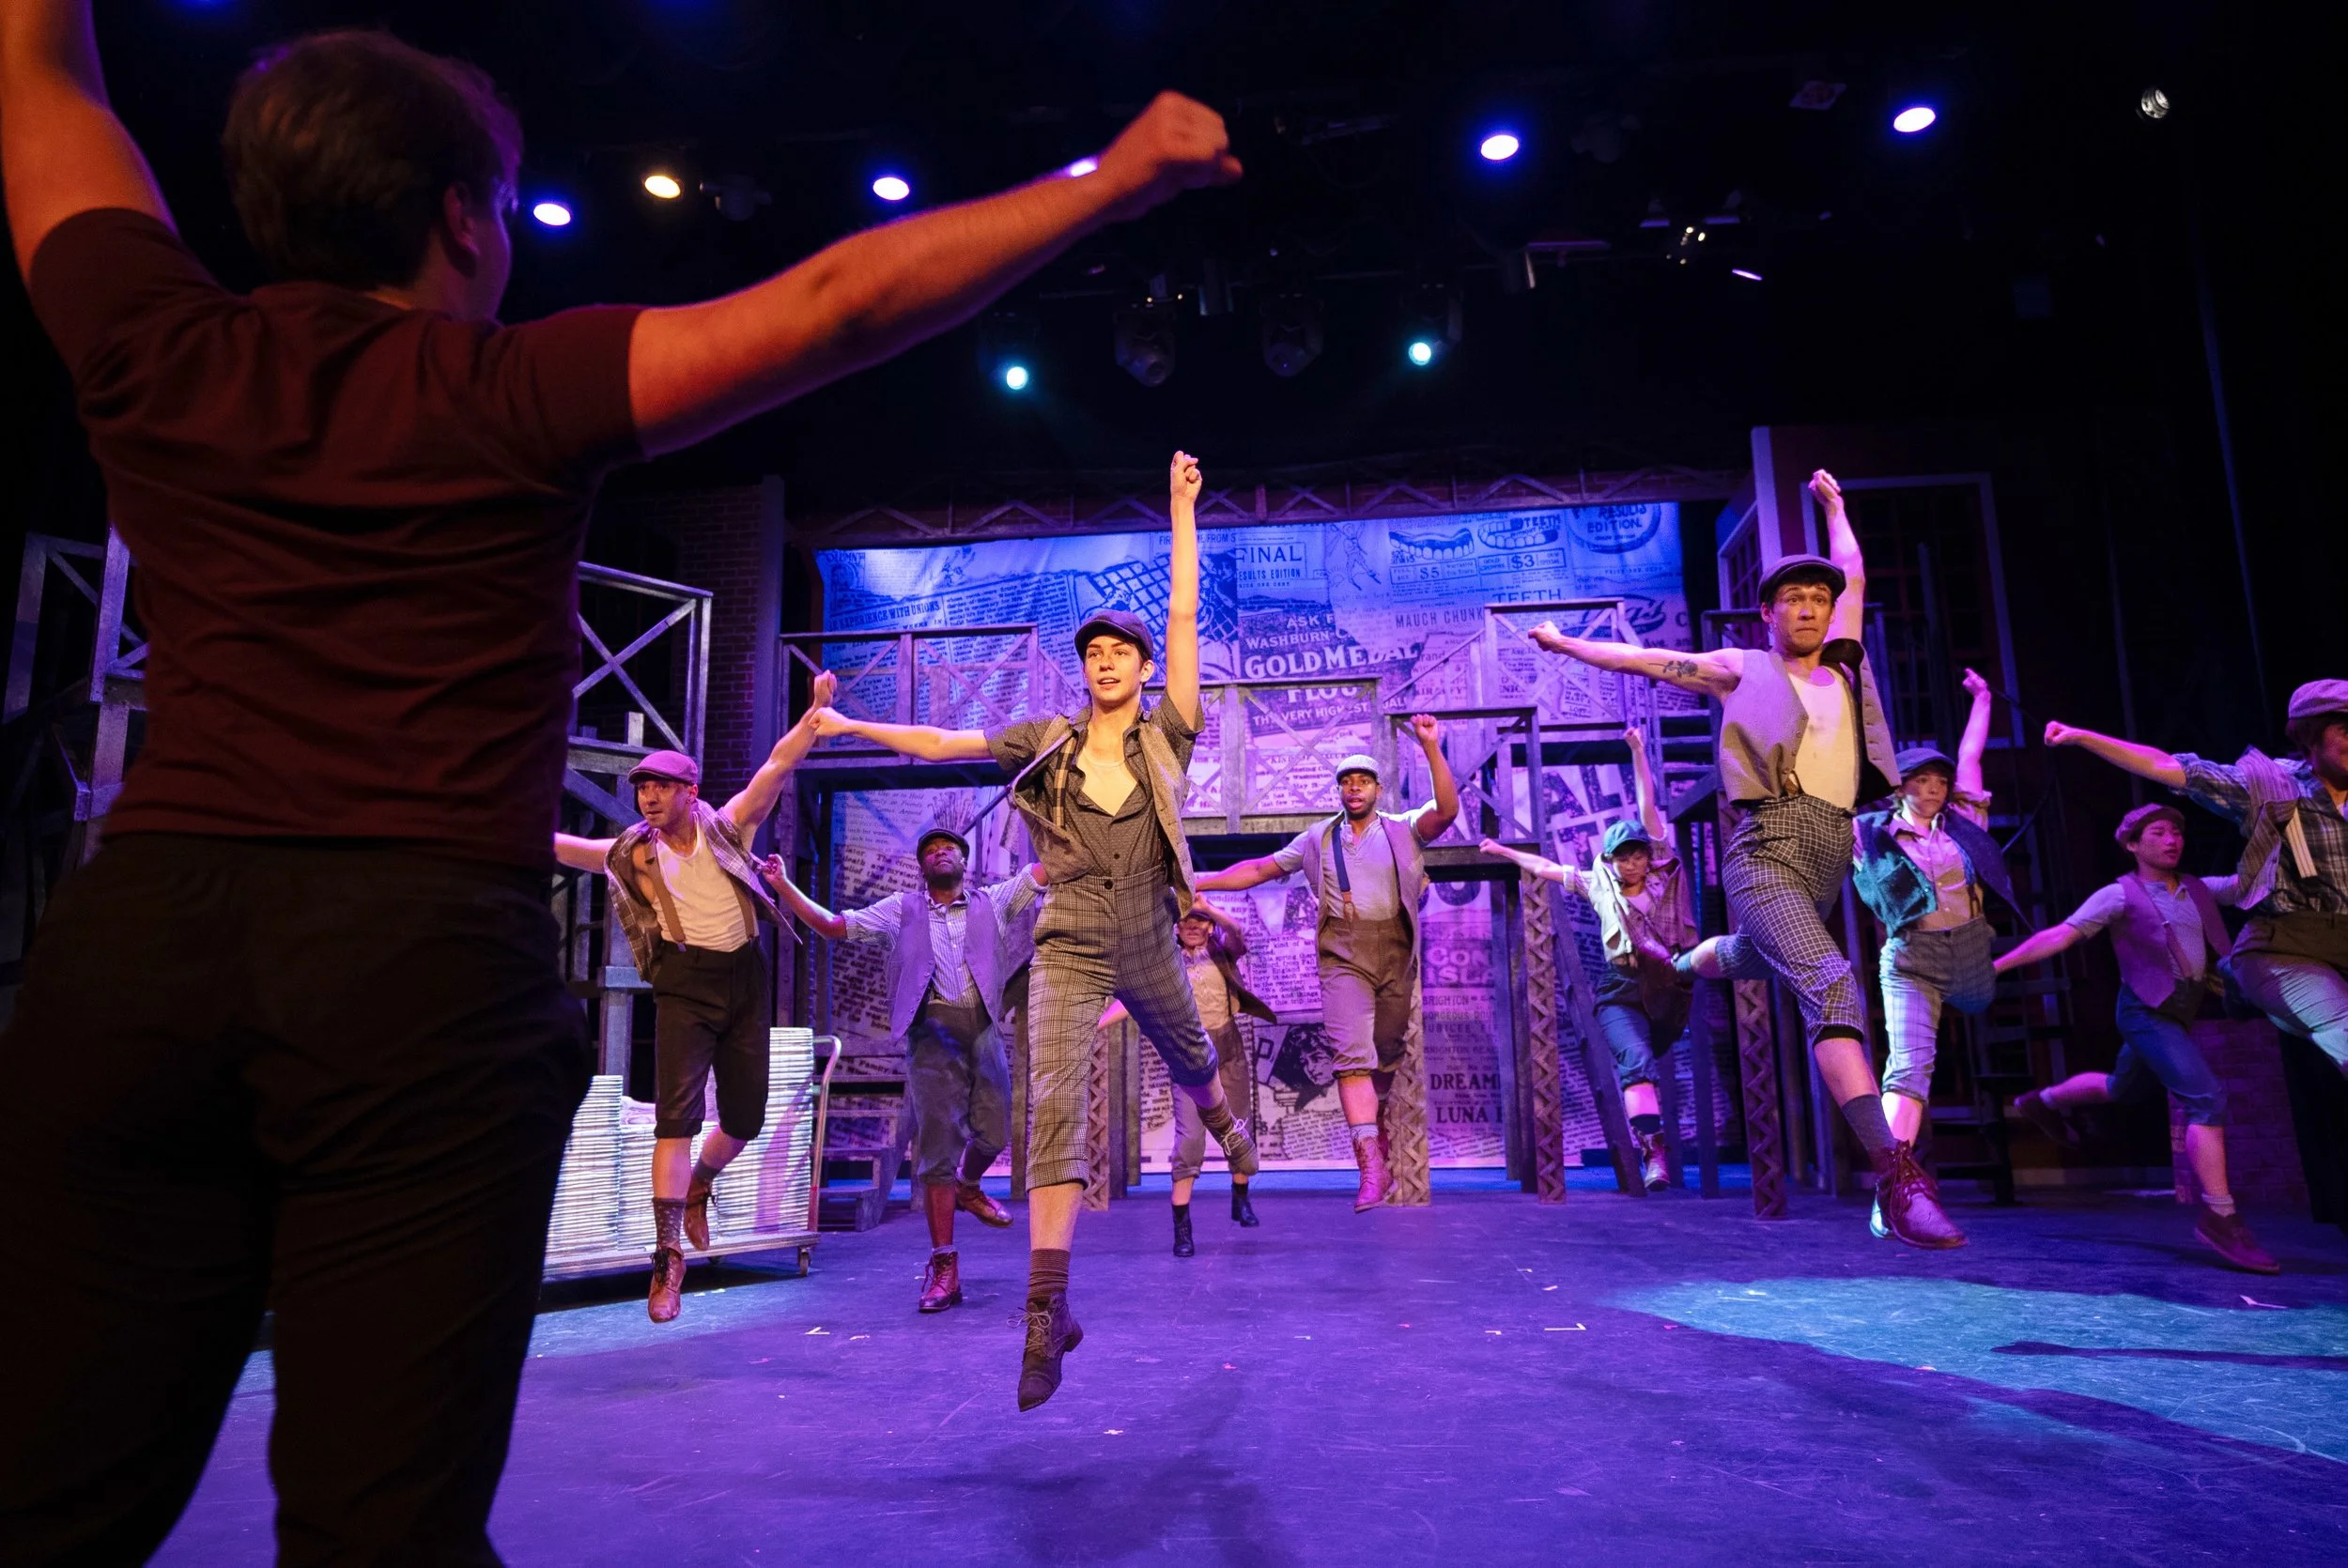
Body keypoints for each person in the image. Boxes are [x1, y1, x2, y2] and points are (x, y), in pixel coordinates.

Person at [0, 3, 1242, 1551]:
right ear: (466, 221)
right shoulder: (509, 389)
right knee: (382, 1522)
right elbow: (838, 303)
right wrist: (1109, 180)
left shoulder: (156, 343)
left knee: (45, 1493)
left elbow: (42, 80)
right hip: (412, 977)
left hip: (145, 952)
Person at [807, 452, 1258, 1410]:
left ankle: (1226, 1126)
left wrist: (1180, 509)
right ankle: (1047, 1311)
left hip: (1150, 928)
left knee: (1191, 1051)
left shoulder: (1167, 733)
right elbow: (944, 742)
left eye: (1121, 651)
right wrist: (849, 726)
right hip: (1072, 937)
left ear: (1143, 669)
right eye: (1094, 651)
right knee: (1049, 1102)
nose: (1106, 660)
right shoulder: (1046, 742)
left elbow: (1183, 618)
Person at [1524, 470, 1963, 1250]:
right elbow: (1649, 660)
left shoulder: (1845, 666)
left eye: (1818, 599)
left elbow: (1854, 571)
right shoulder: (1743, 667)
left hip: (1830, 851)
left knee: (1758, 954)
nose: (1809, 608)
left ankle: (1685, 962)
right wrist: (1566, 645)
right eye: (1793, 598)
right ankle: (1895, 1176)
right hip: (1766, 849)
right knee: (1831, 983)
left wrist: (1836, 508)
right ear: (1769, 612)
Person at [551, 689, 826, 1322]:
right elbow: (572, 851)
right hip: (683, 982)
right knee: (675, 1119)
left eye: (662, 787)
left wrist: (813, 719)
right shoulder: (634, 852)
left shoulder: (727, 828)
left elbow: (776, 767)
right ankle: (667, 1255)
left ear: (690, 791)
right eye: (642, 789)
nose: (649, 798)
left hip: (744, 978)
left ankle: (701, 1182)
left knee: (745, 1119)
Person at [760, 828, 1043, 1313]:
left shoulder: (993, 901)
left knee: (995, 1132)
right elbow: (832, 925)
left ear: (964, 861)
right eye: (930, 850)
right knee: (937, 1150)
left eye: (948, 847)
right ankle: (944, 1265)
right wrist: (783, 885)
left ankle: (969, 1186)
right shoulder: (901, 910)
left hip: (983, 1029)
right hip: (931, 1032)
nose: (940, 852)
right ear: (921, 866)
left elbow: (1043, 870)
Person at [1994, 805, 2278, 1274]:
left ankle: (2042, 1101)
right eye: (2159, 832)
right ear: (2132, 844)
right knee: (2207, 1099)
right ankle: (2221, 1217)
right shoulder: (2118, 895)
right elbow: (2062, 935)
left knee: (2121, 1088)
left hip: (2179, 1010)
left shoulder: (2199, 888)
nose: (2172, 840)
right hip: (2145, 1013)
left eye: (2177, 832)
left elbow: (2250, 883)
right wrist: (1997, 966)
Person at [1191, 717, 1461, 1209]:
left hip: (1395, 951)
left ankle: (1376, 1121)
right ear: (1339, 790)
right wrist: (1199, 882)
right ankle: (1370, 1166)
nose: (1354, 787)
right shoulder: (1318, 838)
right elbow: (1259, 869)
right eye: (1346, 781)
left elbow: (1446, 811)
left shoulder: (1402, 829)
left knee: (1386, 1053)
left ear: (1377, 790)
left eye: (1363, 781)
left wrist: (1430, 747)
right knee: (1351, 1057)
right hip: (1342, 954)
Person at [2040, 683, 2348, 1075]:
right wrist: (2082, 737)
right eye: (2346, 731)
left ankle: (2235, 981)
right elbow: (2169, 767)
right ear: (2310, 736)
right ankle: (2239, 977)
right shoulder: (2274, 785)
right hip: (2290, 949)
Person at [1478, 725, 1693, 1192]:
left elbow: (1648, 808)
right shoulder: (1599, 883)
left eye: (1637, 855)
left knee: (1651, 1061)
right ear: (1611, 860)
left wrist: (1637, 752)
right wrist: (1503, 851)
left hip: (1669, 985)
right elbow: (1547, 868)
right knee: (1636, 1063)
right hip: (1620, 989)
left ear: (1648, 856)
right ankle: (1653, 1151)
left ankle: (1653, 1140)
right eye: (1622, 858)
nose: (1631, 864)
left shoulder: (1664, 873)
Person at [1846, 669, 2020, 1240]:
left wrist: (1982, 700)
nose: (1934, 789)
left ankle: (1895, 1189)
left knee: (1972, 1006)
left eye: (1939, 782)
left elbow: (1971, 757)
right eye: (1921, 781)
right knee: (1910, 1068)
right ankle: (1893, 1191)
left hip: (1969, 951)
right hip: (1912, 958)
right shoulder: (1869, 833)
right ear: (1901, 787)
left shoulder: (1964, 824)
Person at [1103, 899, 1277, 1253]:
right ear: (1176, 927)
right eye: (1186, 921)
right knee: (1189, 1141)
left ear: (1210, 925)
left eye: (1200, 921)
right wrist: (1097, 1024)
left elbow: (1237, 932)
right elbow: (1132, 1000)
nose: (1193, 926)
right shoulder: (1166, 962)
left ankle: (1240, 1198)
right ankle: (1182, 1227)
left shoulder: (1222, 953)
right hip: (1189, 1058)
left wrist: (1206, 908)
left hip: (1229, 1052)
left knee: (1238, 1126)